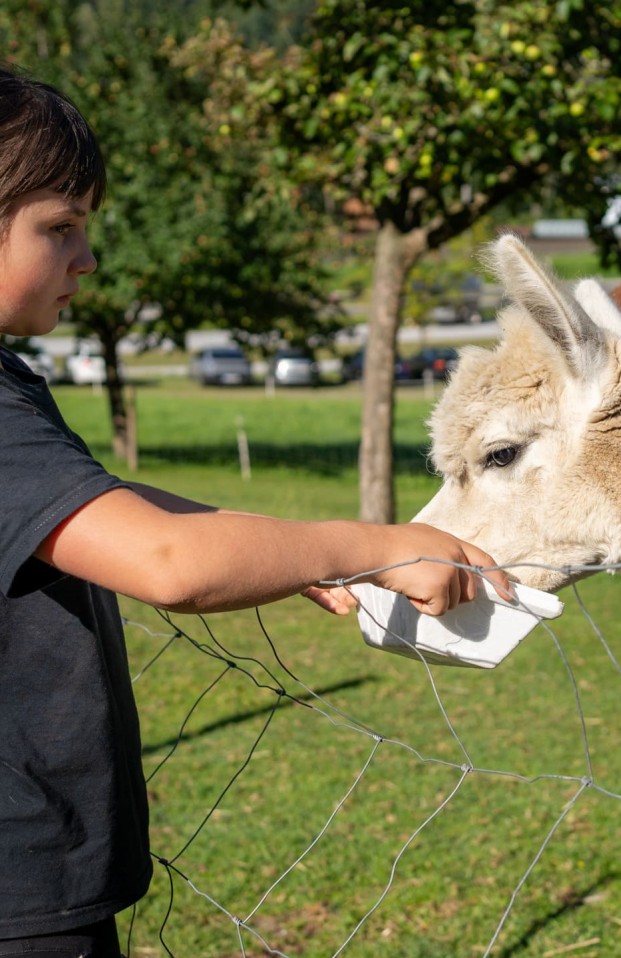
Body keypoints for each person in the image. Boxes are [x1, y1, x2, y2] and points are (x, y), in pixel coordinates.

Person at [0, 65, 507, 958]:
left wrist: (281, 545)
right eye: (60, 227)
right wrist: (371, 545)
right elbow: (168, 564)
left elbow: (92, 503)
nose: (87, 258)